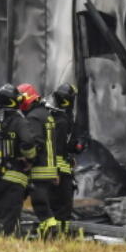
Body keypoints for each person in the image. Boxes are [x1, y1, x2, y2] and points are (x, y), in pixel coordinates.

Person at [0, 83, 38, 237]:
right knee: (9, 223)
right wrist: (30, 158)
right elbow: (28, 142)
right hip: (13, 179)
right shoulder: (19, 121)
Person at [19, 83, 60, 239]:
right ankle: (47, 233)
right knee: (42, 202)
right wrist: (55, 170)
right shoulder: (46, 115)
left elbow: (36, 142)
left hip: (39, 169)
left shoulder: (33, 117)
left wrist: (28, 160)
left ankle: (51, 232)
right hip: (49, 168)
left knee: (40, 203)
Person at [48, 83, 85, 236]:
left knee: (62, 207)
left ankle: (59, 236)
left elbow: (65, 145)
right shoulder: (62, 121)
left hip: (63, 171)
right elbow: (56, 147)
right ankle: (59, 236)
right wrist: (55, 171)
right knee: (62, 208)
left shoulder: (60, 118)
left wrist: (76, 147)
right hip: (60, 174)